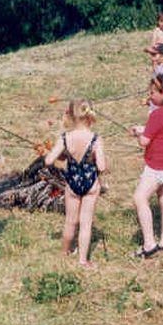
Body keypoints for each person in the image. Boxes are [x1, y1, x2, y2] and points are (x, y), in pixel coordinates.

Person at [45, 99, 107, 268]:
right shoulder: (96, 139)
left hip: (72, 183)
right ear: (90, 115)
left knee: (70, 221)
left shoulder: (65, 137)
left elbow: (49, 160)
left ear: (71, 116)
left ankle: (64, 252)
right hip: (91, 184)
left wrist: (64, 155)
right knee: (86, 223)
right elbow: (102, 166)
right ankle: (83, 260)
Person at [129, 74, 163, 258]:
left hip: (157, 167)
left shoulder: (157, 114)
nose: (150, 96)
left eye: (152, 93)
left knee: (139, 198)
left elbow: (144, 141)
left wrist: (138, 134)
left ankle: (149, 244)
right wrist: (144, 130)